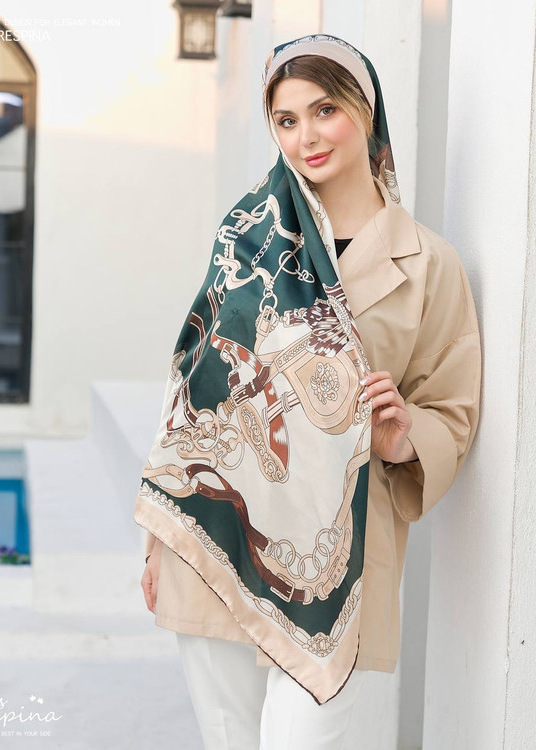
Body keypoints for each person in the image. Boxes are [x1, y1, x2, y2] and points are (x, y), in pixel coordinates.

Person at [134, 33, 481, 749]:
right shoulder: (246, 239)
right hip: (219, 534)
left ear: (366, 111)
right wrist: (158, 537)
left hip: (333, 564)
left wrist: (403, 436)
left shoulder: (428, 263)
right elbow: (194, 385)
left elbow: (452, 407)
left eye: (325, 110)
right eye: (286, 120)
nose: (307, 137)